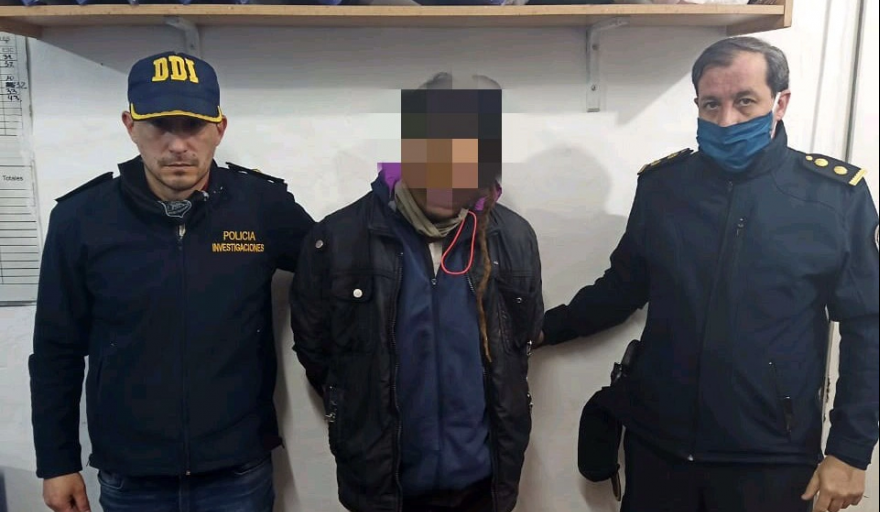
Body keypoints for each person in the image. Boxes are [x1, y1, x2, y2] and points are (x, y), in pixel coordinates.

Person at [541, 36, 878, 512]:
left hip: (771, 460)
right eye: (711, 104)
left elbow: (870, 328)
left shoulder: (834, 199)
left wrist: (850, 449)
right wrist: (539, 329)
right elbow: (622, 288)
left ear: (780, 102)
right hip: (658, 450)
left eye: (745, 102)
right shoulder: (663, 187)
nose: (726, 121)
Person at [29, 51, 315, 512]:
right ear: (130, 125)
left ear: (220, 128)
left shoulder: (262, 207)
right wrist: (57, 462)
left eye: (194, 126)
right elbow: (55, 352)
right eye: (160, 125)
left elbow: (340, 269)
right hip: (131, 475)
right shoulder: (81, 219)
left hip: (236, 470)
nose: (178, 145)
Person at [290, 72, 544, 512]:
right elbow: (319, 354)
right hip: (383, 490)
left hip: (483, 487)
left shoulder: (513, 237)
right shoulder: (337, 239)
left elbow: (519, 344)